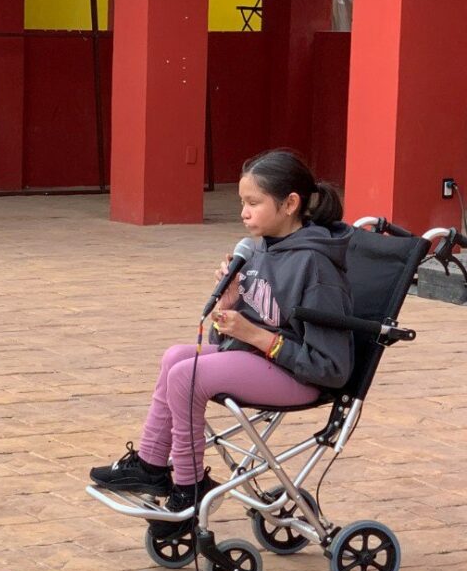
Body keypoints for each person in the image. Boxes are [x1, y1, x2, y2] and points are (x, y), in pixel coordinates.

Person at [90, 149, 354, 539]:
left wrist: (253, 334)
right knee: (175, 357)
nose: (244, 213)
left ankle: (190, 486)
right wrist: (229, 308)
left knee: (188, 376)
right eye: (242, 203)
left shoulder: (315, 267)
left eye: (253, 203)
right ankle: (150, 467)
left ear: (290, 204)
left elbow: (330, 367)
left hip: (302, 376)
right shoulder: (260, 250)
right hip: (262, 360)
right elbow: (230, 340)